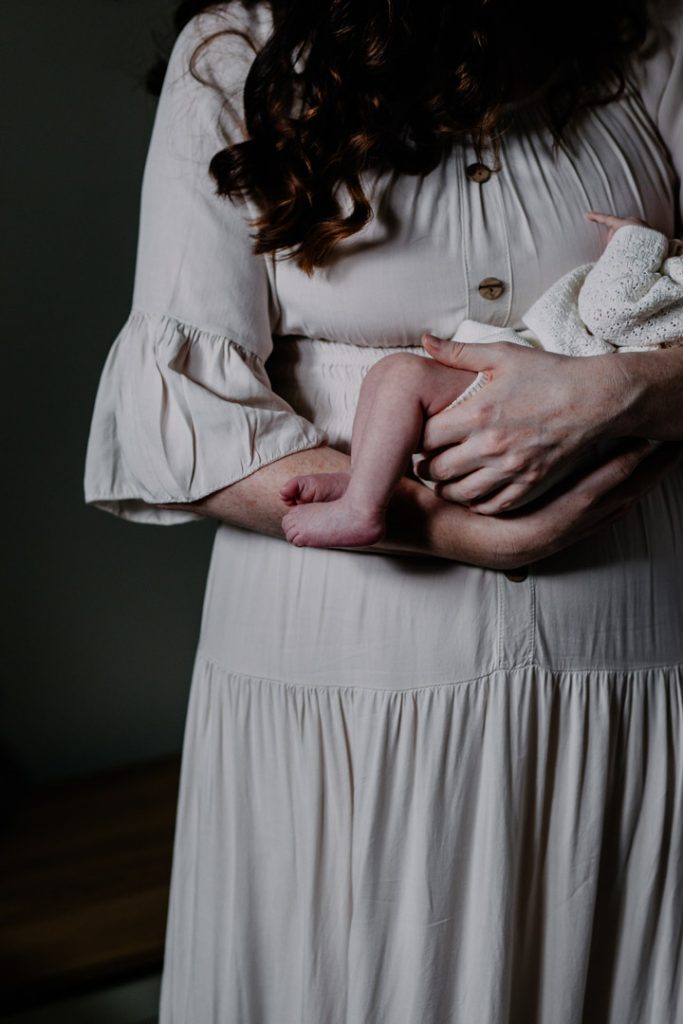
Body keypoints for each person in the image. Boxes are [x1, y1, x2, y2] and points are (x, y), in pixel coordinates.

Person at [83, 0, 683, 1020]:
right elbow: (183, 414)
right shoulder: (235, 55)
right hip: (343, 670)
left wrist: (622, 390)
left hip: (631, 657)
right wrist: (458, 531)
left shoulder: (653, 33)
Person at [278, 211, 683, 548]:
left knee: (401, 377)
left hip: (550, 398)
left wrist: (636, 238)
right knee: (391, 378)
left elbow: (609, 310)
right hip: (562, 413)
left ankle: (362, 509)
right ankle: (363, 482)